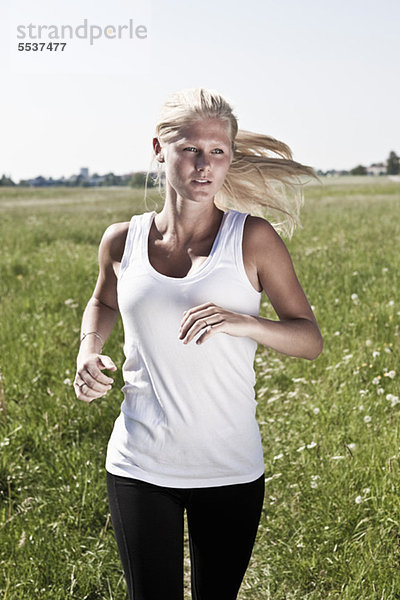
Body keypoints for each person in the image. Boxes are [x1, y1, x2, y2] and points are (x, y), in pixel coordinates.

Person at [74, 88, 323, 600]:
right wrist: (87, 347)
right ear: (159, 150)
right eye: (190, 149)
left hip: (229, 465)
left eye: (217, 152)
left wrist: (245, 322)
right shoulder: (121, 240)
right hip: (139, 462)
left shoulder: (252, 239)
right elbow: (103, 302)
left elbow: (309, 338)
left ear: (229, 158)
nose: (204, 166)